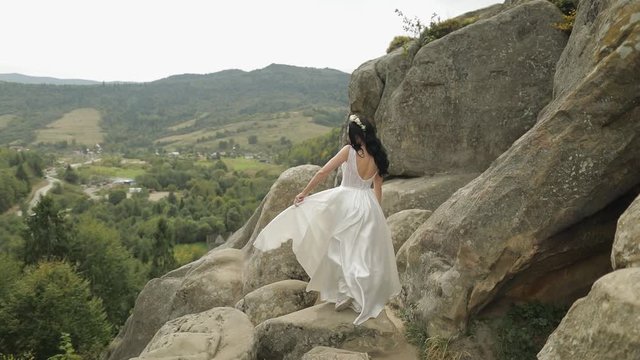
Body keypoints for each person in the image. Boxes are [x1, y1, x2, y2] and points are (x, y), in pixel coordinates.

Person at [253, 114, 401, 325]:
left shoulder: (349, 152)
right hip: (367, 204)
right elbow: (378, 189)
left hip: (345, 200)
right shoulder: (378, 155)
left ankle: (344, 292)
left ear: (355, 134)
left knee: (338, 247)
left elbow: (323, 171)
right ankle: (354, 292)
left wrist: (304, 192)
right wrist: (377, 214)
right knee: (361, 251)